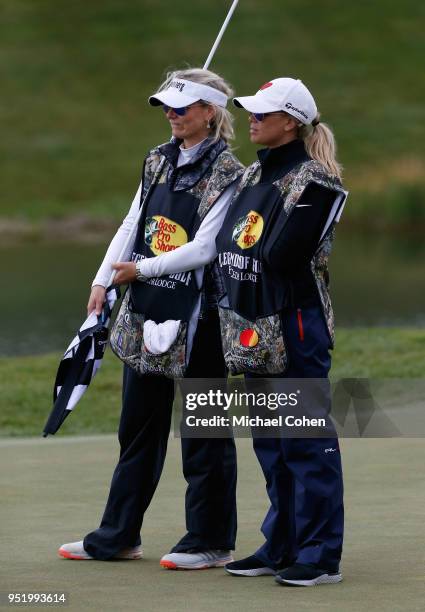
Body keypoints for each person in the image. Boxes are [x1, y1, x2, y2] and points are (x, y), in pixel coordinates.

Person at [58, 68, 244, 569]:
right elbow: (132, 221)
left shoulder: (229, 172)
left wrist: (139, 268)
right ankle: (118, 535)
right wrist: (102, 280)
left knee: (204, 431)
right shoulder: (157, 160)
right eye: (166, 106)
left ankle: (210, 540)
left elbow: (205, 248)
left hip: (200, 317)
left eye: (182, 108)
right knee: (137, 428)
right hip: (146, 312)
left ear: (210, 113)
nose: (171, 114)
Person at [215, 78, 346, 586]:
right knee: (270, 443)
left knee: (305, 444)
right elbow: (234, 248)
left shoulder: (318, 182)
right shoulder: (253, 174)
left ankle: (320, 554)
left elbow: (280, 255)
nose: (250, 119)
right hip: (252, 327)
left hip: (294, 325)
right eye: (249, 111)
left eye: (262, 113)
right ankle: (282, 543)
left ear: (290, 121)